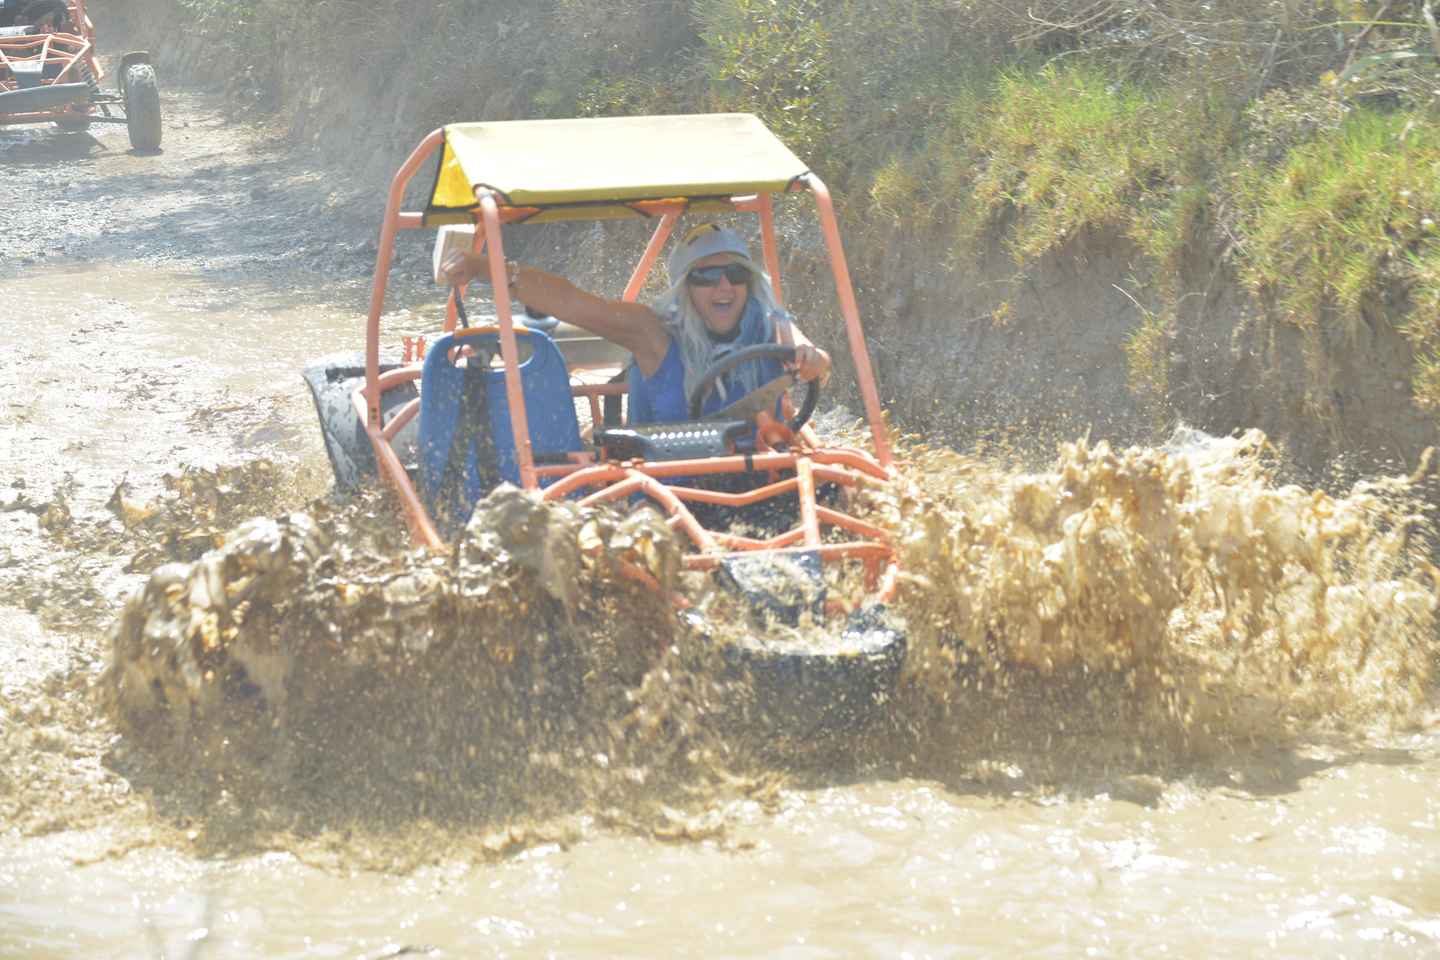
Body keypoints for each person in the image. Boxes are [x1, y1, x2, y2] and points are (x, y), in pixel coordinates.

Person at [437, 222, 831, 427]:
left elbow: (809, 353)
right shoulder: (652, 333)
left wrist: (814, 360)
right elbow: (574, 303)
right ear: (686, 289)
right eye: (707, 277)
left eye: (735, 274)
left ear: (749, 281)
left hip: (756, 481)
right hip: (665, 490)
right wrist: (483, 268)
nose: (724, 286)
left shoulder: (769, 325)